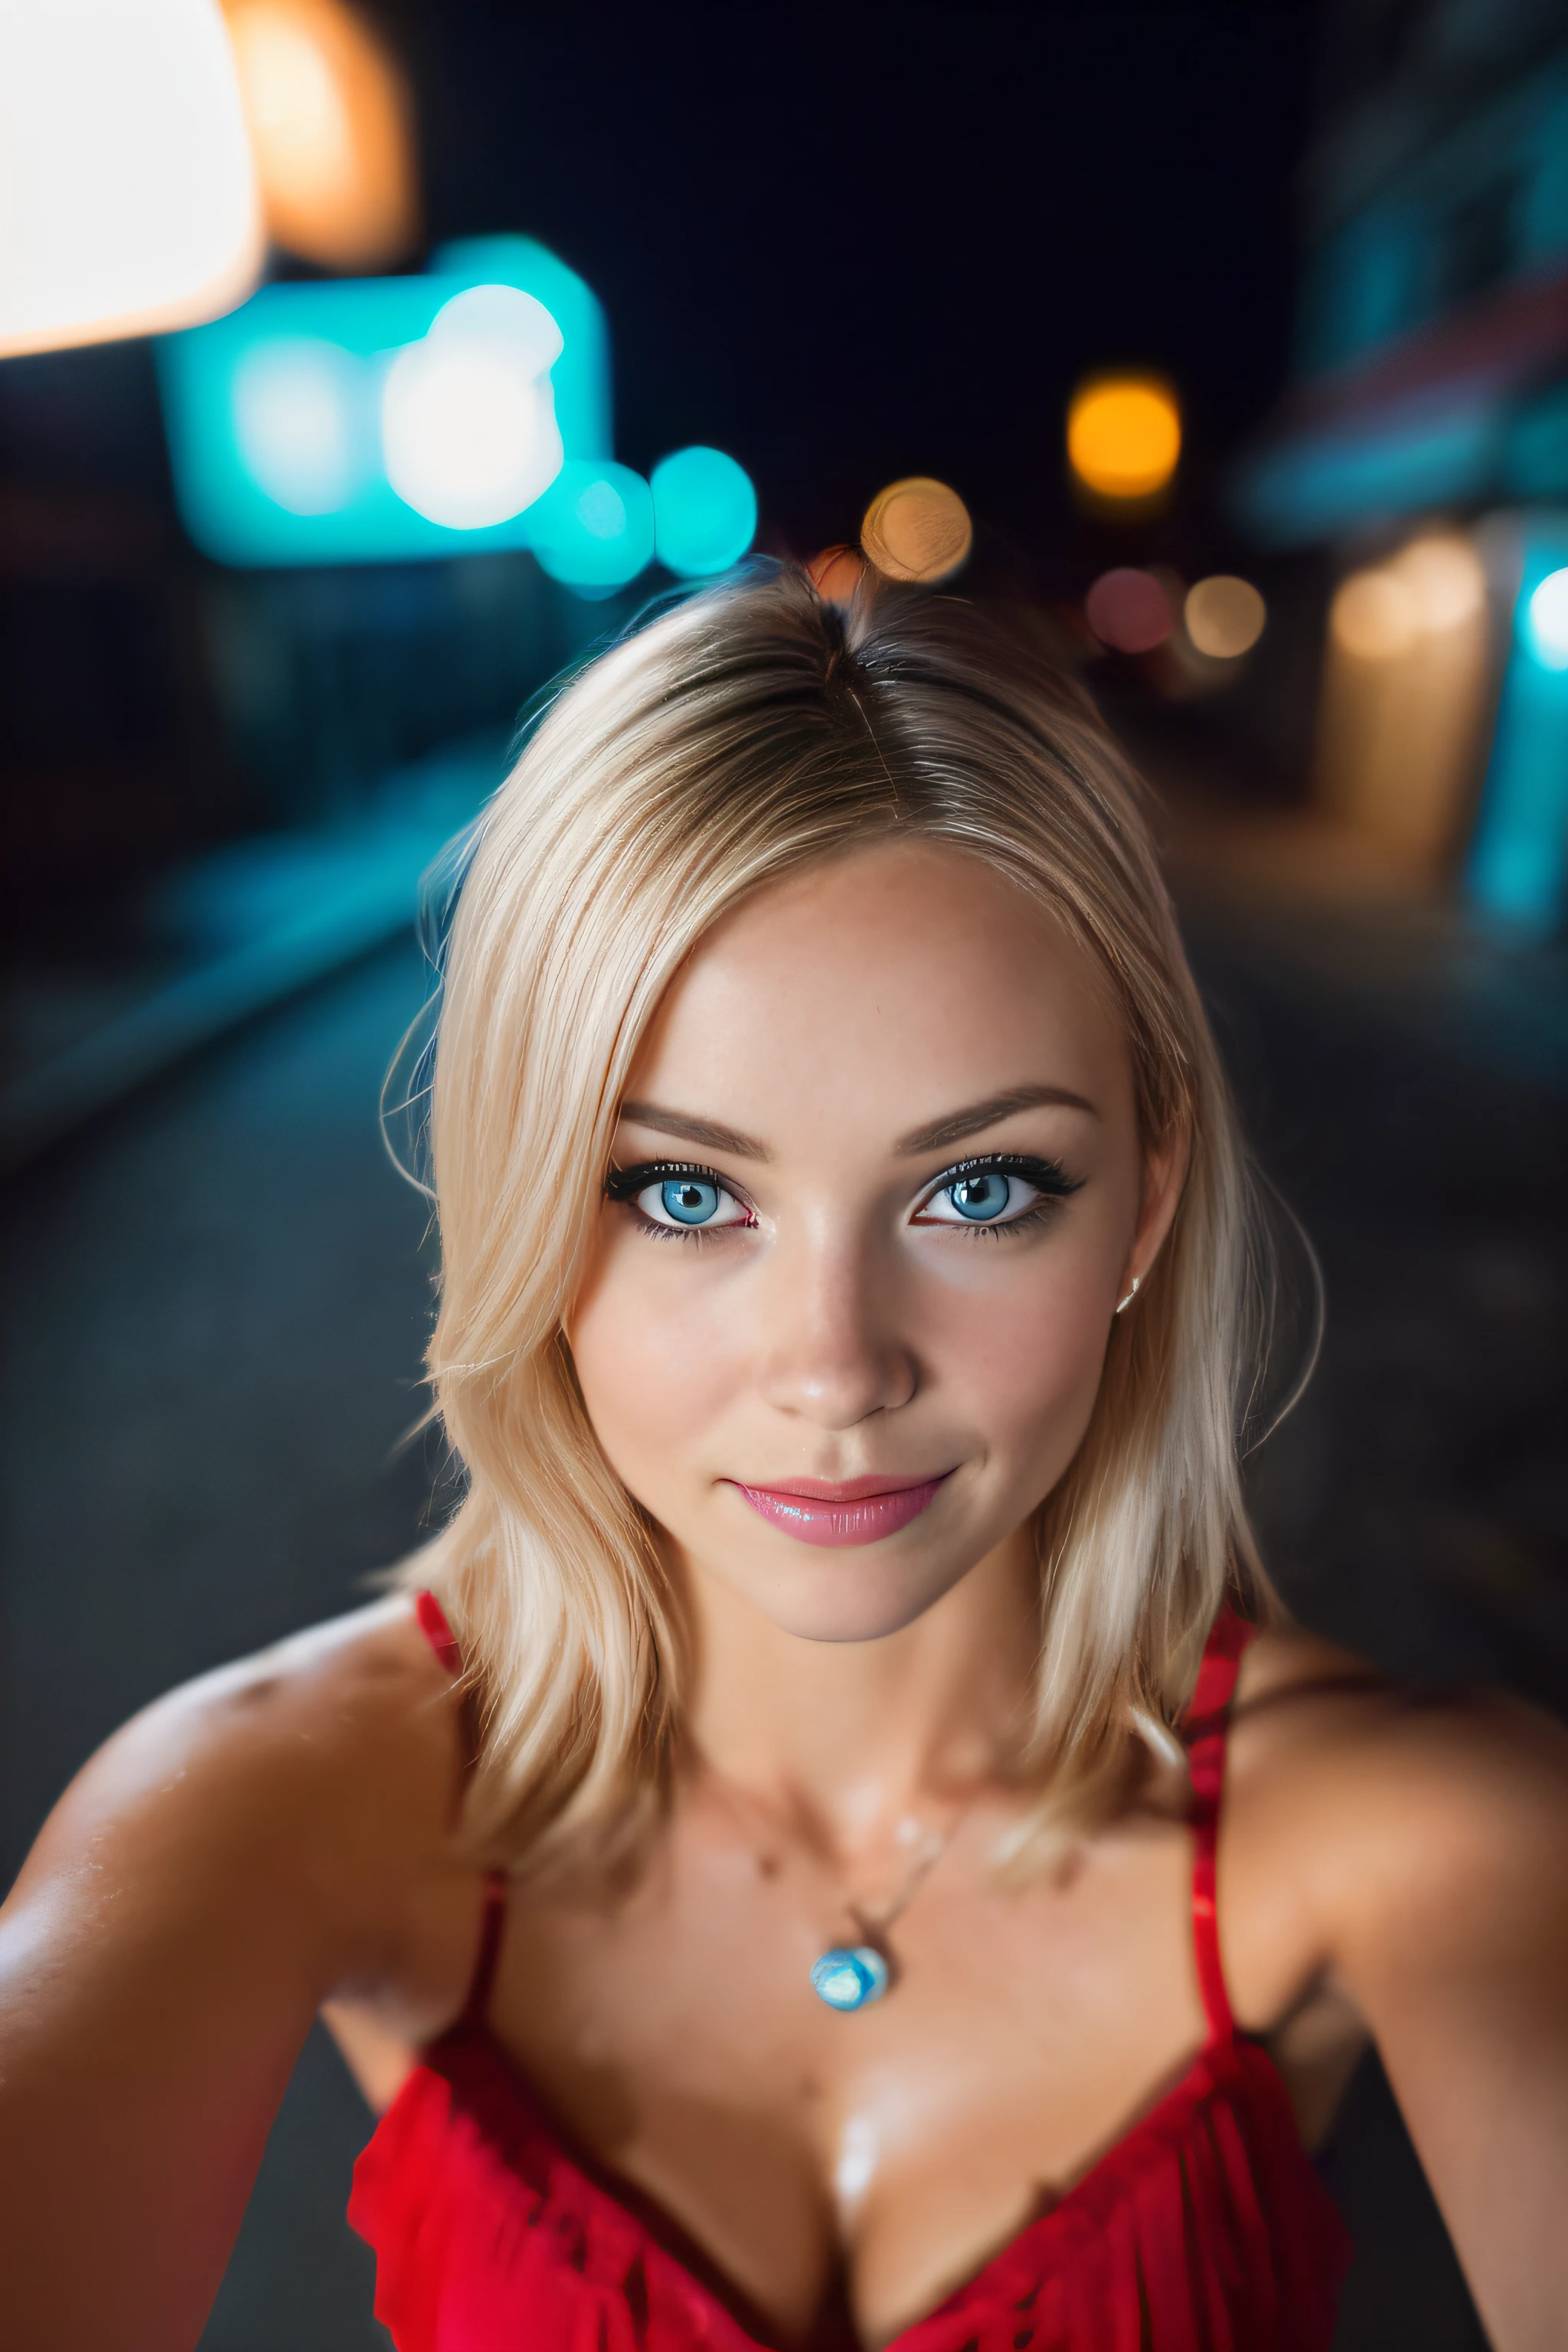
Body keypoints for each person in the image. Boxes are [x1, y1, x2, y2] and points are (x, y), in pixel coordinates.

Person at [2, 566, 1565, 2352]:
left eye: (981, 1191)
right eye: (681, 1193)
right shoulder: (266, 1810)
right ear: (523, 1199)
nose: (835, 1366)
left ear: (1147, 1197)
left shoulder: (1428, 1838)